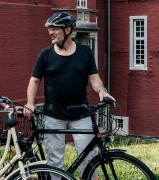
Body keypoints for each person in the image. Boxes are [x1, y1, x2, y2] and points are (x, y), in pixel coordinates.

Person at [25, 12, 115, 176]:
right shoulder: (45, 54)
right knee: (55, 162)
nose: (50, 32)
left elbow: (94, 78)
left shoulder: (85, 52)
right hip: (53, 115)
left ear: (67, 30)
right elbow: (35, 80)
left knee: (89, 160)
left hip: (81, 115)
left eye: (54, 28)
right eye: (49, 29)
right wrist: (30, 103)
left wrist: (102, 91)